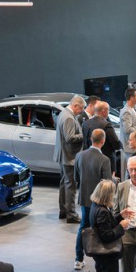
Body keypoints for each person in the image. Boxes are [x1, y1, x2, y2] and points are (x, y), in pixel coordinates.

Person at [74, 129, 112, 270]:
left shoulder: (79, 155)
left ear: (91, 138)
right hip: (100, 202)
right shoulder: (104, 160)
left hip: (85, 198)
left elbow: (76, 178)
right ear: (103, 141)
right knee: (101, 229)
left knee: (83, 227)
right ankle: (102, 258)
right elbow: (107, 184)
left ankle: (78, 259)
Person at [88, 180, 128, 272]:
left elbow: (106, 224)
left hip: (101, 255)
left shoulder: (95, 206)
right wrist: (121, 226)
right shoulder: (103, 211)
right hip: (107, 255)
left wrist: (120, 216)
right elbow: (106, 235)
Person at [55, 95, 85, 223]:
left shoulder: (63, 113)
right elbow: (70, 137)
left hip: (64, 155)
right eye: (81, 108)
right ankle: (71, 214)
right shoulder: (68, 117)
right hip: (69, 156)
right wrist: (84, 135)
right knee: (70, 185)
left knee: (64, 183)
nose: (81, 111)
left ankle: (63, 211)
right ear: (76, 105)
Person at [83, 101, 123, 175]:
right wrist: (122, 145)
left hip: (88, 161)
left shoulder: (85, 123)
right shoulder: (106, 125)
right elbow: (116, 144)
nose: (108, 112)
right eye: (108, 110)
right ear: (104, 111)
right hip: (105, 161)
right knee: (106, 182)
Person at [120, 87, 136, 168]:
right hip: (129, 147)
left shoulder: (131, 109)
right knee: (131, 169)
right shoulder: (127, 111)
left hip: (133, 146)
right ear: (132, 98)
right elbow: (127, 129)